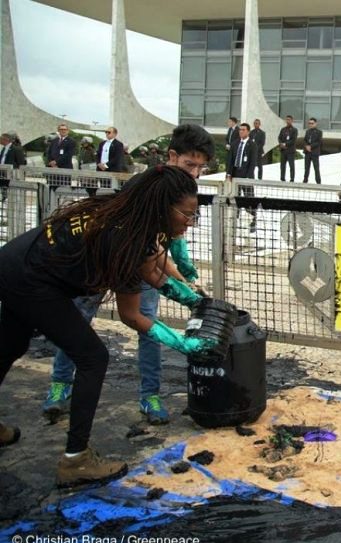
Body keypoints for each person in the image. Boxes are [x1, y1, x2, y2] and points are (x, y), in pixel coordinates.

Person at [0, 165, 216, 487]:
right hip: (32, 281)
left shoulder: (125, 215)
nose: (190, 223)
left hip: (14, 263)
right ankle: (76, 460)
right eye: (187, 215)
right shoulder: (125, 242)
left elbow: (153, 272)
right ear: (162, 208)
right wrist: (183, 344)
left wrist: (191, 299)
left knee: (11, 344)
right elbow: (133, 316)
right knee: (92, 357)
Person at [43, 124, 215, 426]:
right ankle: (60, 384)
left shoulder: (184, 188)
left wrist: (184, 275)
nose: (196, 173)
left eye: (201, 167)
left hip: (142, 263)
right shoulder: (146, 185)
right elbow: (148, 247)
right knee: (79, 319)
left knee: (148, 324)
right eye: (190, 164)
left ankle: (150, 394)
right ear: (172, 156)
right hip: (102, 263)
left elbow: (167, 240)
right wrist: (177, 278)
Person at [227, 123, 259, 232]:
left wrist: (248, 178)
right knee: (235, 199)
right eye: (240, 130)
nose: (241, 131)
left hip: (246, 176)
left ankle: (253, 221)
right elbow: (230, 160)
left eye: (243, 130)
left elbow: (253, 162)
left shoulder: (252, 145)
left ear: (248, 131)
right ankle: (235, 221)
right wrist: (228, 174)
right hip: (235, 175)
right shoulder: (235, 143)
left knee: (249, 200)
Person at [0, 132, 27, 202]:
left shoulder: (16, 149)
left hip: (12, 173)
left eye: (1, 138)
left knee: (10, 189)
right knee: (3, 186)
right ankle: (4, 198)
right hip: (2, 172)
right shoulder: (4, 148)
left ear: (6, 139)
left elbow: (21, 163)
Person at [278, 115, 298, 182]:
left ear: (292, 120)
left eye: (289, 119)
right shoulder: (283, 129)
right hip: (283, 150)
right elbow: (279, 137)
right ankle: (282, 178)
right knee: (282, 165)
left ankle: (292, 179)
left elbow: (293, 140)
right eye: (287, 119)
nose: (288, 121)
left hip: (290, 151)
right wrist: (281, 144)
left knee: (291, 165)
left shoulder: (294, 130)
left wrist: (285, 144)